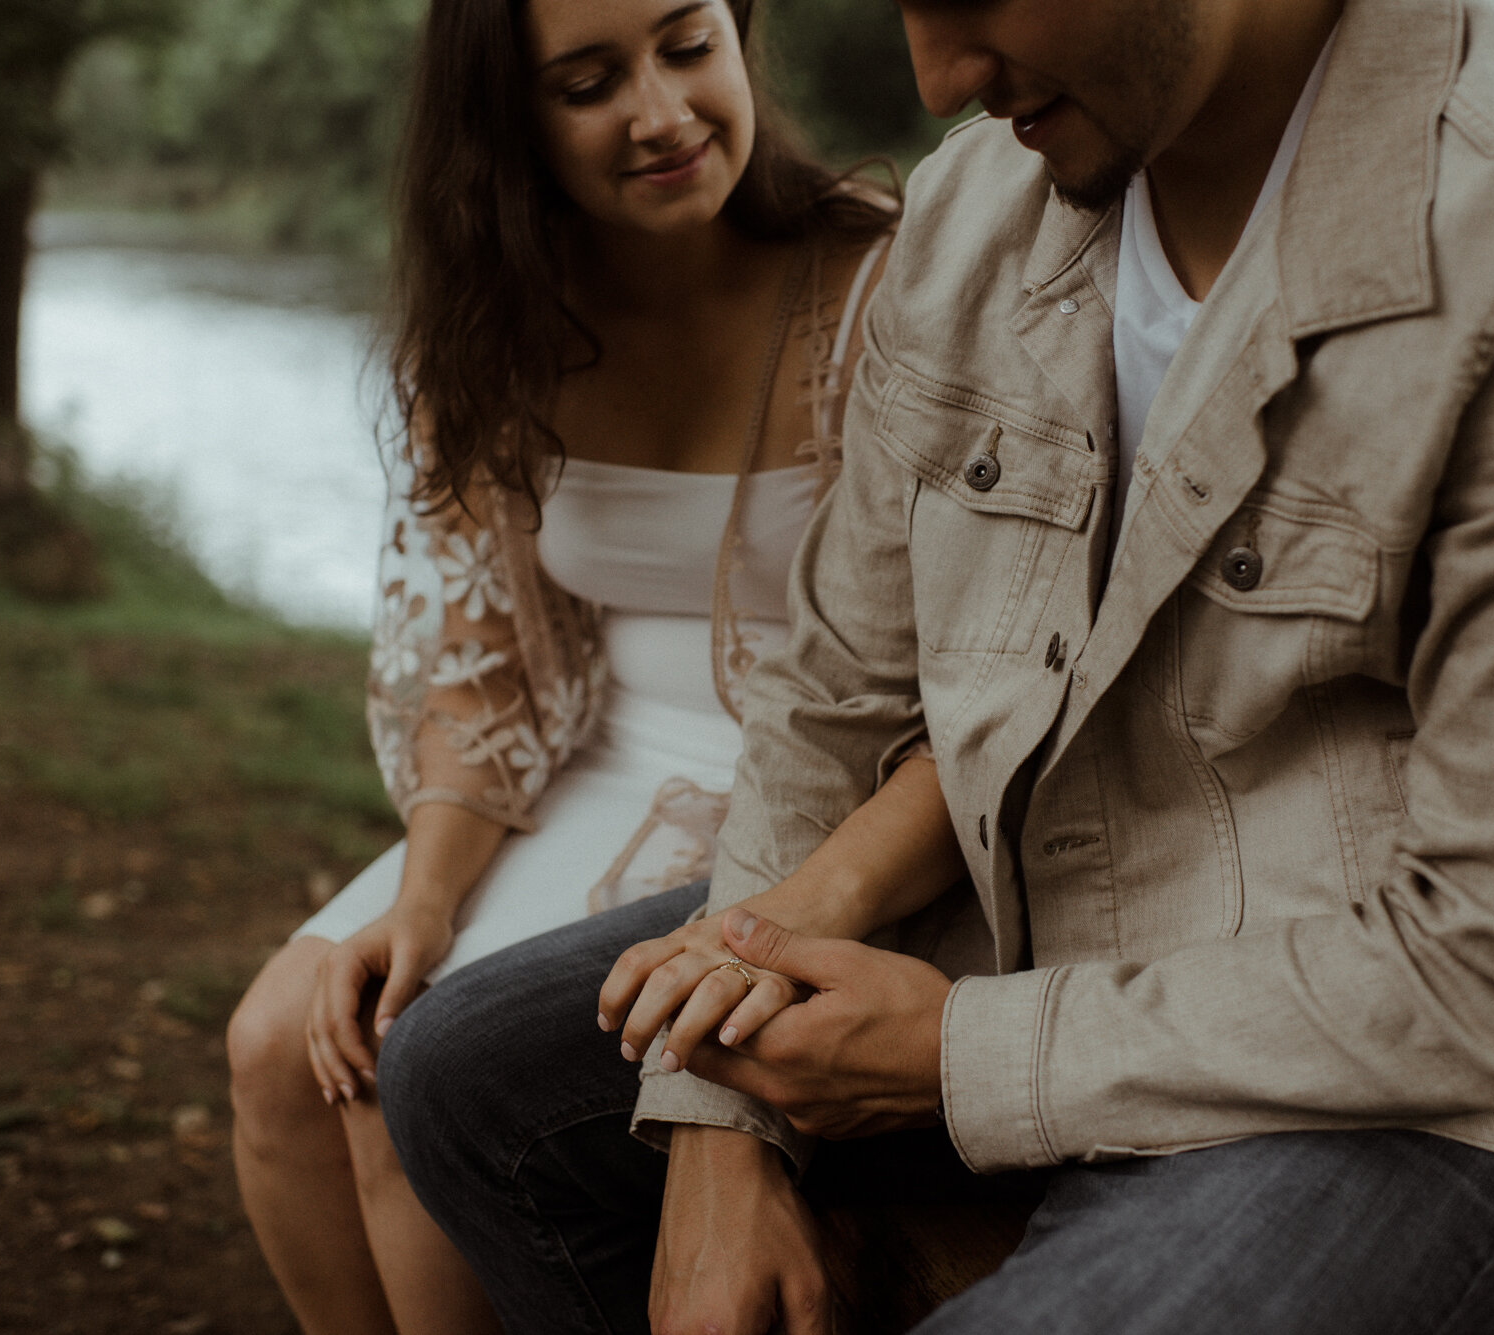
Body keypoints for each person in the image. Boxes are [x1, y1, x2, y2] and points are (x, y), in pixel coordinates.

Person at [376, 0, 1494, 1331]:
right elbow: (835, 696)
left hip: (1427, 1092)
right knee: (465, 1082)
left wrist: (956, 1053)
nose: (934, 75)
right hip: (1035, 912)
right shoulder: (972, 205)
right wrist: (715, 1115)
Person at [219, 0, 940, 1329]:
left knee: (392, 1084)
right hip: (591, 754)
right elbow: (485, 663)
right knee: (279, 1046)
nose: (660, 114)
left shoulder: (883, 280)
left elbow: (958, 652)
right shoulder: (493, 326)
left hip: (827, 772)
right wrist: (425, 904)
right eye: (588, 82)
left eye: (686, 47)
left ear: (740, 41)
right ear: (506, 124)